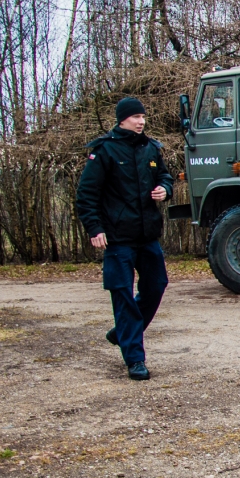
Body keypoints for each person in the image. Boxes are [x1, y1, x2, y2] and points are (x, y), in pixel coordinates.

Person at [76, 97, 174, 381]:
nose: (141, 121)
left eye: (143, 117)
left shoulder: (151, 148)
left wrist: (164, 189)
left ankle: (122, 333)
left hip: (147, 235)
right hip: (117, 238)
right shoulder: (104, 150)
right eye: (136, 117)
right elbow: (86, 194)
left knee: (156, 286)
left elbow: (165, 176)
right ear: (122, 119)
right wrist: (94, 228)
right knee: (123, 296)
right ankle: (135, 359)